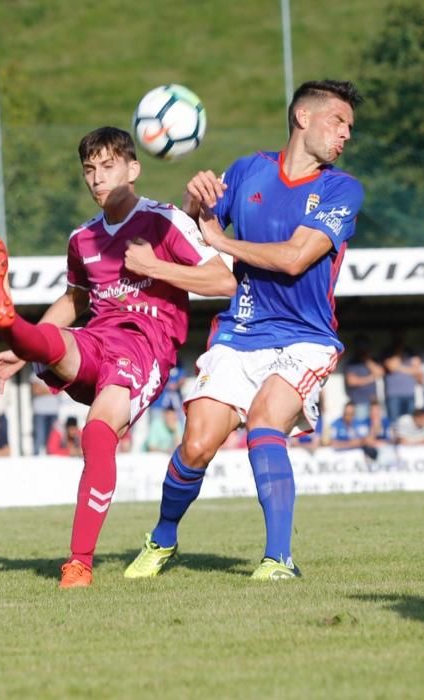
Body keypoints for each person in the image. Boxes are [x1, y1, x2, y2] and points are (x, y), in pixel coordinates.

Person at [0, 126, 236, 588]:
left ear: (133, 169)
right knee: (59, 343)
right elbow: (75, 301)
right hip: (99, 333)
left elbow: (223, 281)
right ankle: (12, 327)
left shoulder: (165, 221)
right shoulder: (83, 239)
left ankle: (78, 564)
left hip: (147, 342)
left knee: (98, 433)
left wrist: (154, 267)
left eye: (108, 166)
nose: (97, 179)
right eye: (89, 170)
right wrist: (19, 356)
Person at [125, 79, 365, 581]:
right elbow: (193, 235)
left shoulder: (341, 188)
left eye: (349, 127)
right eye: (337, 121)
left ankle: (278, 559)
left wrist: (222, 241)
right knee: (196, 444)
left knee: (263, 421)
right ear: (303, 118)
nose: (345, 134)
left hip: (305, 336)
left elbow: (297, 258)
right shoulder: (248, 170)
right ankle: (162, 538)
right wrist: (195, 203)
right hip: (241, 329)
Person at [382, 332, 423, 424]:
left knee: (410, 423)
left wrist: (399, 367)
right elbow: (391, 367)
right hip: (393, 395)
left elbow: (417, 371)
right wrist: (398, 351)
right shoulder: (388, 351)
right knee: (394, 423)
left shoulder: (411, 351)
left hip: (409, 394)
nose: (399, 339)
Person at [344, 334, 384, 420]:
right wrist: (372, 377)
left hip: (373, 402)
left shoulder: (372, 361)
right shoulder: (352, 363)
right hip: (359, 401)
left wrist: (366, 360)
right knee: (361, 428)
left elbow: (380, 373)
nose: (362, 349)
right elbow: (352, 381)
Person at [30, 372, 62, 455]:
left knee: (52, 441)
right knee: (39, 439)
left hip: (54, 411)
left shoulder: (57, 373)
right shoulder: (36, 373)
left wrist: (43, 389)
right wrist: (53, 389)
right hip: (40, 411)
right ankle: (35, 461)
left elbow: (61, 390)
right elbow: (36, 390)